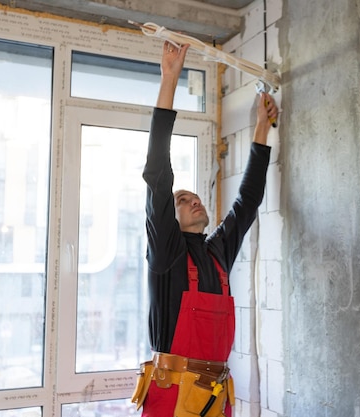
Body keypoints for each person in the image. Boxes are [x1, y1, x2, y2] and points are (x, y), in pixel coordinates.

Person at [132, 40, 278, 417]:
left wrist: (262, 128)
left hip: (214, 399)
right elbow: (158, 176)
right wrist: (170, 80)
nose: (193, 200)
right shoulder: (166, 252)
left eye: (196, 197)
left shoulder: (216, 256)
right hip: (171, 398)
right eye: (183, 200)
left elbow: (247, 201)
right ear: (170, 216)